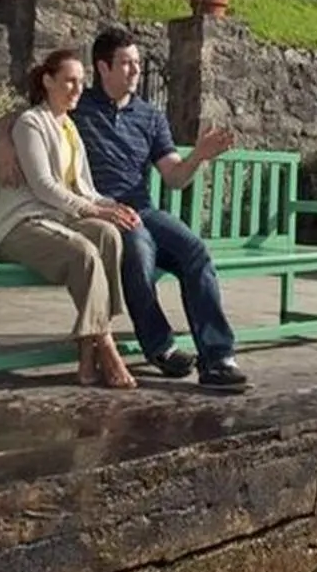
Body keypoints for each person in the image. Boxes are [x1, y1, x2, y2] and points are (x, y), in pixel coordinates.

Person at [75, 27, 248, 392]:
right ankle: (160, 346)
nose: (135, 71)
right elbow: (23, 115)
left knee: (195, 251)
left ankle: (218, 358)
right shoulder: (78, 106)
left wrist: (198, 157)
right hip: (104, 211)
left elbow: (172, 176)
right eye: (126, 64)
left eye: (137, 63)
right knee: (138, 250)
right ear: (102, 68)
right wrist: (3, 136)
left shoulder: (150, 116)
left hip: (143, 209)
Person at [0, 47, 138, 389]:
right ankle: (106, 345)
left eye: (81, 83)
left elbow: (84, 186)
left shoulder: (69, 127)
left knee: (108, 235)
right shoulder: (31, 123)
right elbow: (43, 187)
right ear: (47, 81)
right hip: (22, 223)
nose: (77, 89)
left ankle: (87, 348)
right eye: (69, 81)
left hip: (58, 217)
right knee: (83, 252)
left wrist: (112, 207)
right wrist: (94, 210)